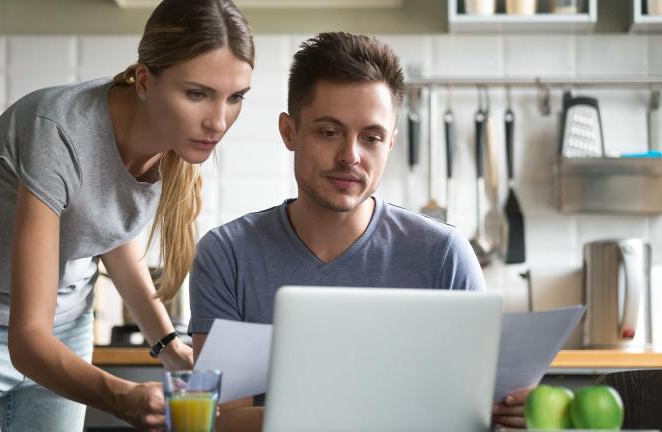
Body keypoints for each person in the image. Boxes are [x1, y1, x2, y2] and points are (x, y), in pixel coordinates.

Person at [0, 1, 253, 431]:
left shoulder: (174, 140)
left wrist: (169, 345)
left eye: (235, 98)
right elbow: (28, 341)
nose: (218, 121)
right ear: (144, 80)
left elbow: (107, 232)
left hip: (64, 335)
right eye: (197, 94)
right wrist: (123, 397)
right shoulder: (57, 130)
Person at [187, 32, 528, 431]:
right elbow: (223, 418)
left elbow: (471, 413)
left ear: (391, 143)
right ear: (289, 132)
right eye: (329, 132)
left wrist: (513, 410)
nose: (351, 155)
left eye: (371, 137)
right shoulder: (228, 254)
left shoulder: (444, 255)